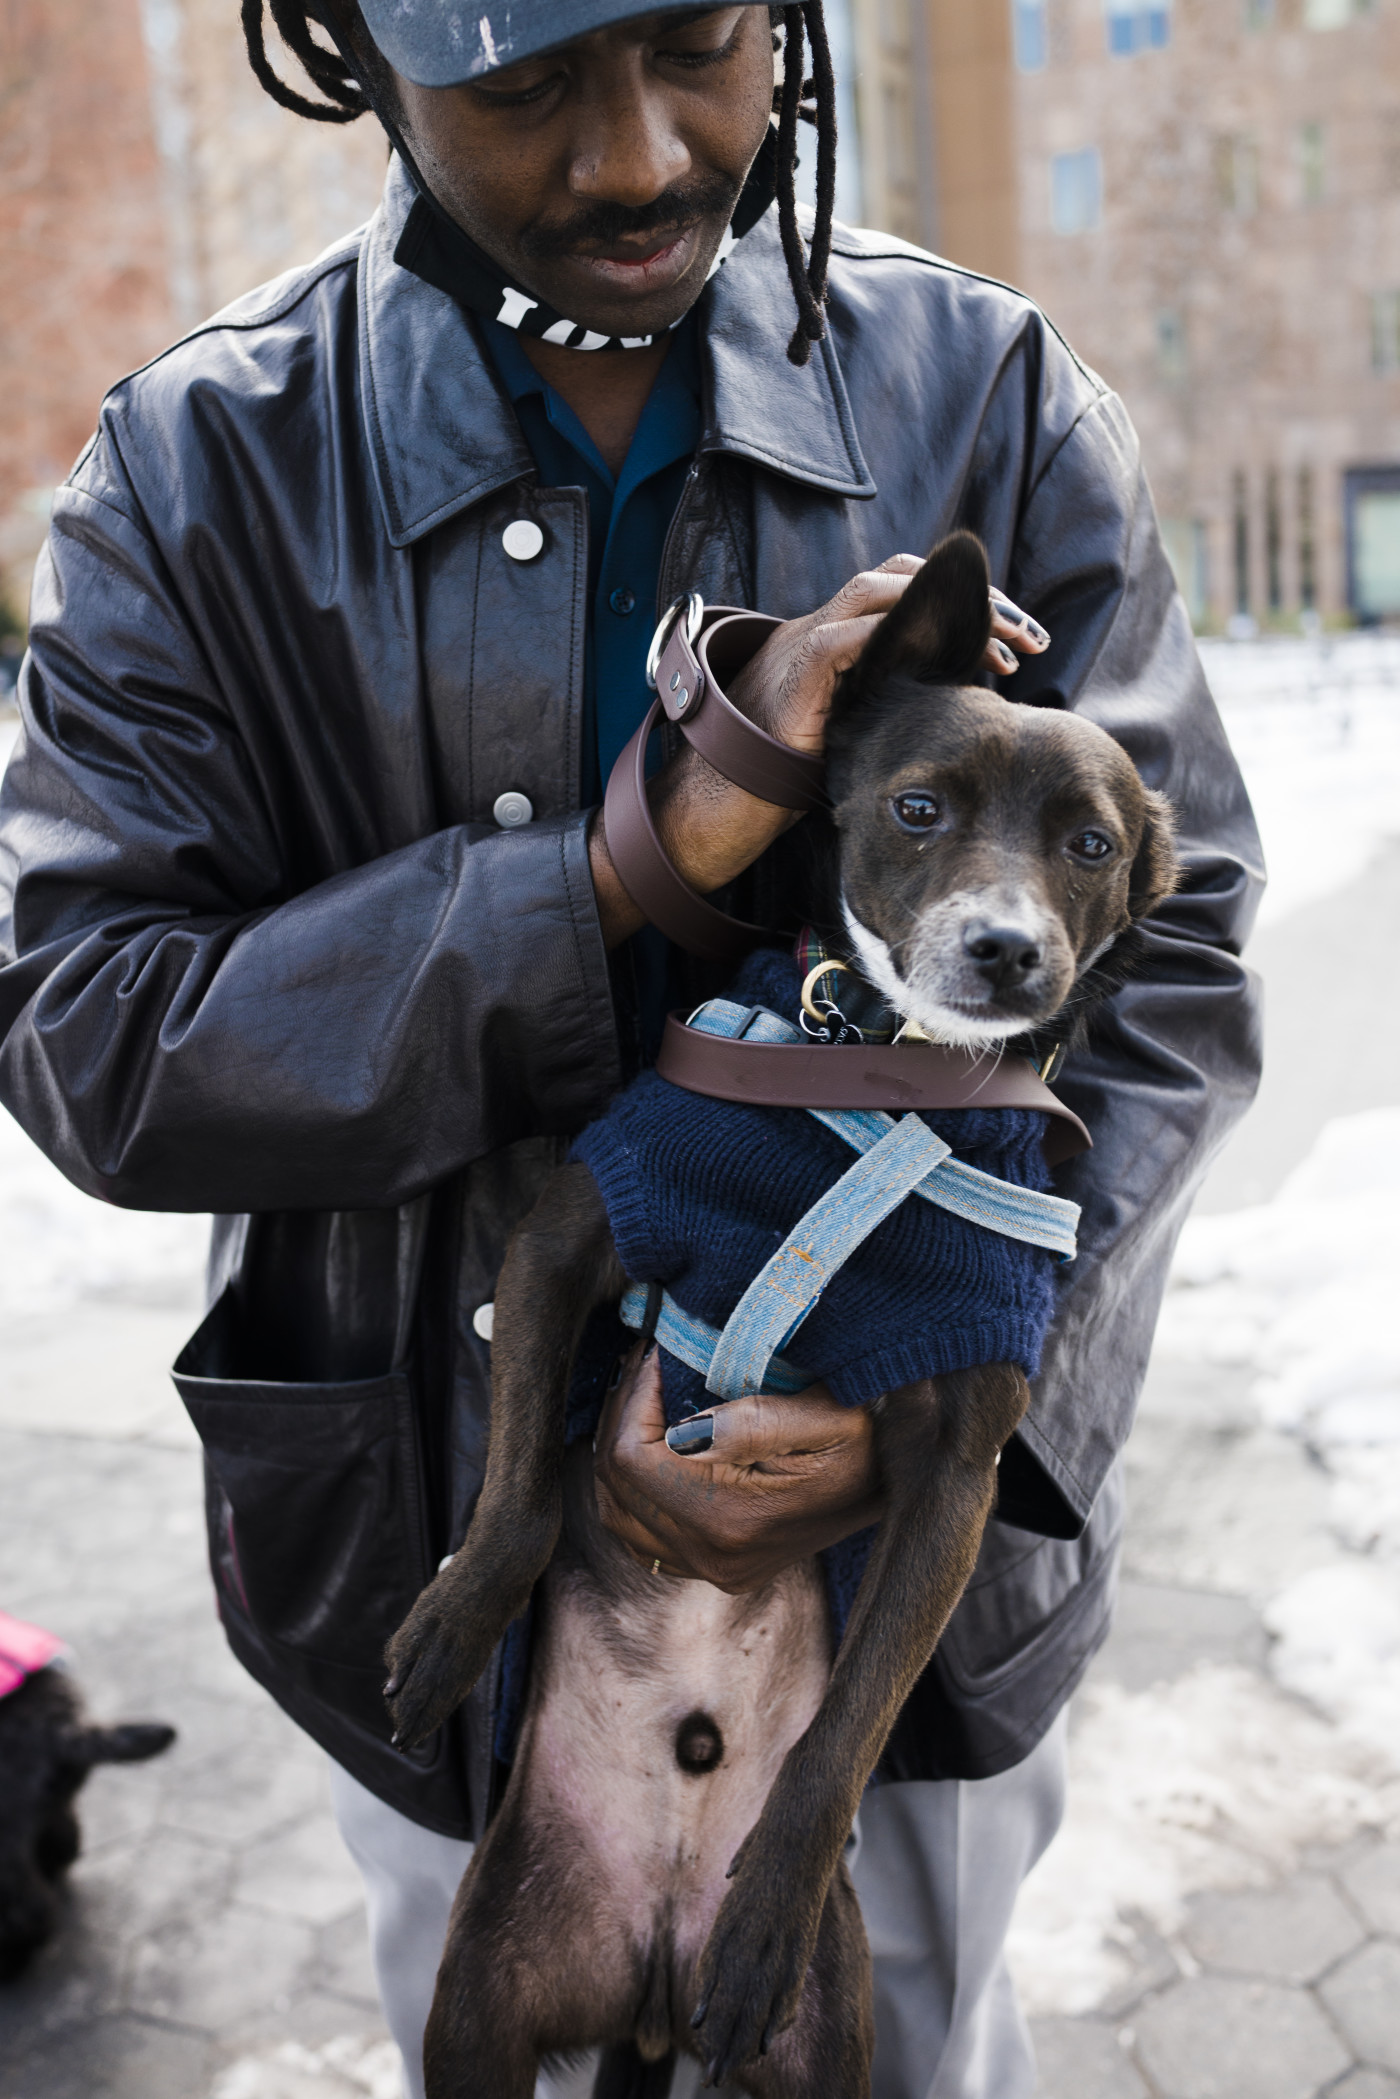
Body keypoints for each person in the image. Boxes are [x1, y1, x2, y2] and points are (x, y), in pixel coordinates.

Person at [0, 4, 1262, 2095]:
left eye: (699, 44)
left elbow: (1183, 947)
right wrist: (628, 866)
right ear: (352, 54)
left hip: (895, 1642)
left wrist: (955, 1412)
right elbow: (91, 1030)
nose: (639, 154)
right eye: (519, 87)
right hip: (431, 1550)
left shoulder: (991, 399)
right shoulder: (194, 466)